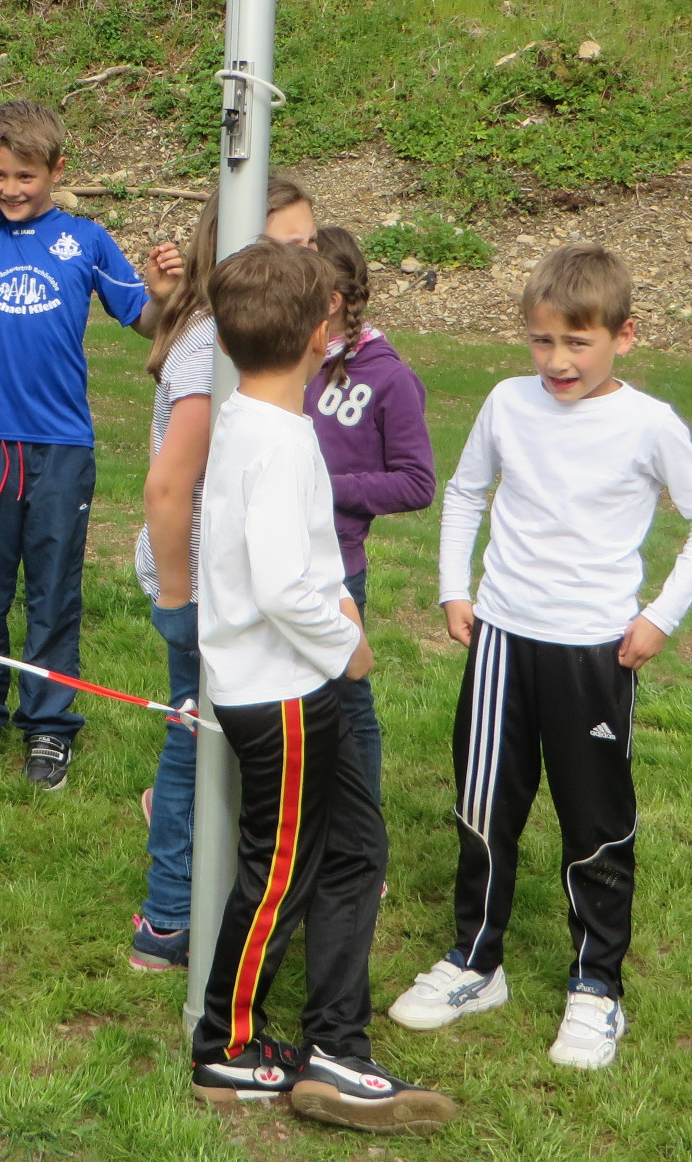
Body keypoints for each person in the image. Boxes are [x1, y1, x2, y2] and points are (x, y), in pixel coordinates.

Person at [389, 243, 692, 1070]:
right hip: (503, 638)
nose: (557, 361)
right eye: (542, 341)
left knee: (594, 822)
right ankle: (476, 962)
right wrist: (454, 589)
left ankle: (596, 985)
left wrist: (659, 617)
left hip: (593, 651)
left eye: (578, 343)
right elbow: (465, 492)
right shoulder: (507, 402)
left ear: (624, 335)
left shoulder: (649, 423)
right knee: (484, 808)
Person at [189, 240, 455, 1136]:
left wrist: (333, 596)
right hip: (284, 691)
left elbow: (296, 554)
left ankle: (337, 1045)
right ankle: (226, 1044)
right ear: (318, 332)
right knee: (279, 875)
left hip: (290, 684)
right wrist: (348, 644)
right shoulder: (278, 438)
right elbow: (278, 584)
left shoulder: (256, 419)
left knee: (352, 849)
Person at [0, 99, 177, 790]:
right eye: (0, 174)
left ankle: (48, 726)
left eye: (28, 176)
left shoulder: (87, 240)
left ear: (57, 170)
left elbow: (144, 322)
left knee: (52, 592)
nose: (11, 189)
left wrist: (164, 293)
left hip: (62, 447)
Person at [127, 186, 333, 973]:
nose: (311, 258)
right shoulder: (213, 348)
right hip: (199, 589)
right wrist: (179, 600)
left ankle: (217, 865)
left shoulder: (249, 338)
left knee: (216, 741)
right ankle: (167, 920)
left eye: (312, 243)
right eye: (290, 245)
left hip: (228, 584)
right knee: (193, 741)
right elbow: (169, 487)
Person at [302, 226, 435, 803]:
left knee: (346, 698)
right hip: (275, 551)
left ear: (332, 300)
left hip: (336, 564)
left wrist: (325, 489)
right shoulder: (291, 358)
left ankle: (362, 834)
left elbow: (417, 482)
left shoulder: (389, 377)